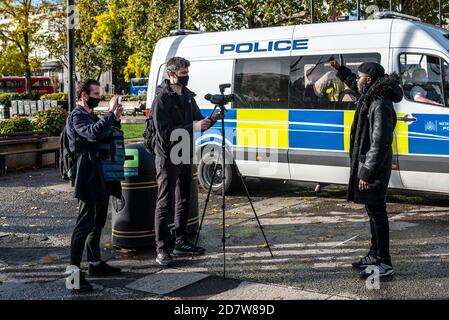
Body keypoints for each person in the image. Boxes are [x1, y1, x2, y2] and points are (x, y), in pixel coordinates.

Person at [152, 57, 222, 266]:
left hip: (185, 152)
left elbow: (199, 121)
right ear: (171, 74)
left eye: (187, 72)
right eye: (182, 74)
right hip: (167, 154)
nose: (186, 77)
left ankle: (181, 240)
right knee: (165, 202)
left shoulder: (188, 97)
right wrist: (194, 127)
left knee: (184, 198)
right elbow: (164, 133)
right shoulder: (162, 99)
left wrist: (214, 118)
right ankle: (161, 249)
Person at [65, 79, 123, 292]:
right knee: (84, 224)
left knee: (98, 221)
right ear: (84, 95)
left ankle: (95, 264)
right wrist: (109, 114)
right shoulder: (77, 116)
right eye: (96, 94)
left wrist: (114, 119)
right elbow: (92, 133)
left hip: (100, 173)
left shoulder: (90, 115)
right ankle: (73, 277)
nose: (98, 97)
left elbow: (105, 134)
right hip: (87, 174)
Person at [347, 62, 403, 279]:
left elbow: (380, 141)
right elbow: (352, 82)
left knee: (378, 213)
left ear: (368, 80)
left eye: (360, 77)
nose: (357, 80)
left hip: (374, 167)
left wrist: (367, 172)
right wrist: (341, 70)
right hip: (370, 163)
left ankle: (384, 262)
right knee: (372, 211)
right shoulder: (372, 95)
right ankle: (374, 255)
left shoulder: (379, 102)